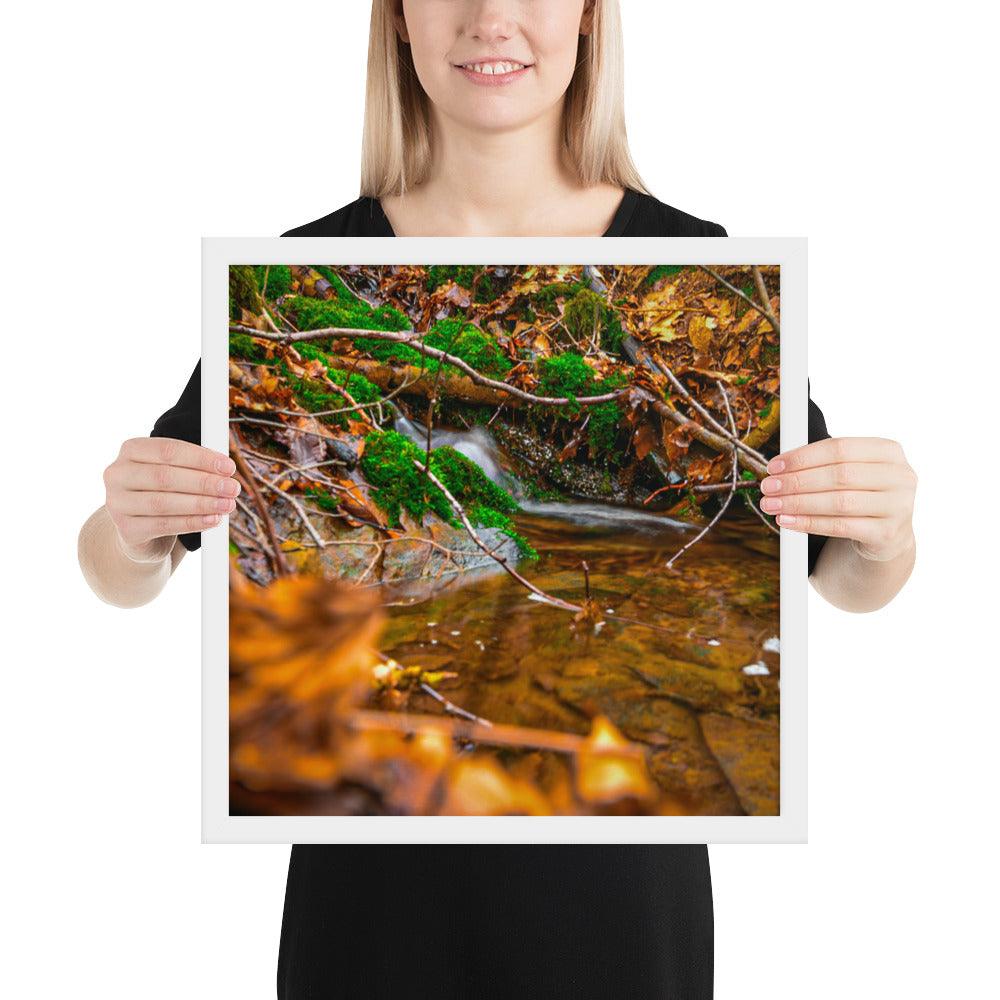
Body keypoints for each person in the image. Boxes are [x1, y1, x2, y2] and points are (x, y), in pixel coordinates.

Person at [77, 1, 918, 996]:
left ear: (590, 19)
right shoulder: (299, 269)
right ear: (396, 21)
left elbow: (842, 577)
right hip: (367, 906)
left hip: (618, 905)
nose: (491, 19)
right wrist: (132, 528)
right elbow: (119, 568)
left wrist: (882, 531)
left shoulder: (697, 258)